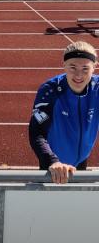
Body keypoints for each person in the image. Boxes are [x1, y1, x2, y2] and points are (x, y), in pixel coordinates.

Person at [29, 41, 99, 184]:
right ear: (64, 65)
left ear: (94, 67)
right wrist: (52, 161)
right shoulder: (50, 90)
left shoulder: (97, 88)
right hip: (54, 166)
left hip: (81, 161)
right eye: (73, 67)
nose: (78, 75)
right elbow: (37, 132)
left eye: (85, 68)